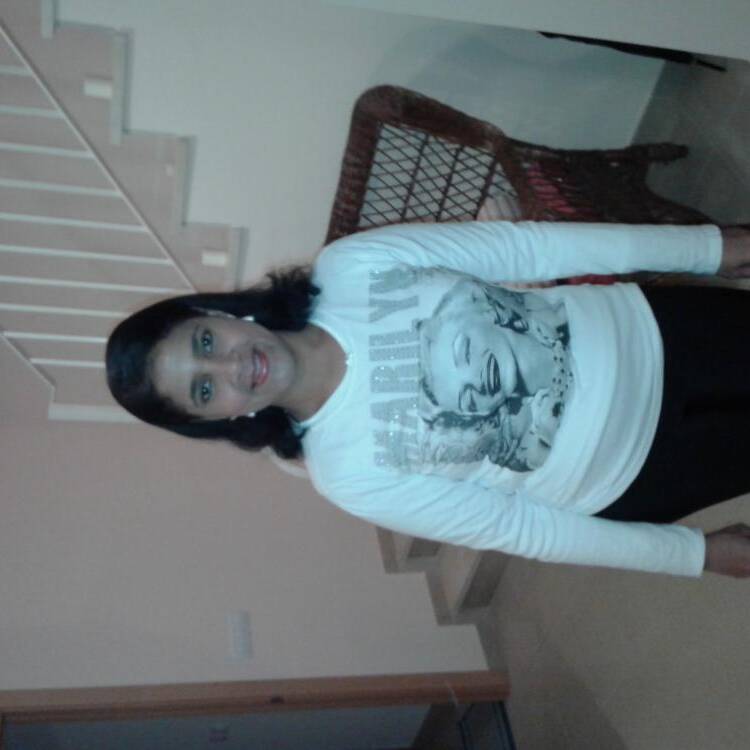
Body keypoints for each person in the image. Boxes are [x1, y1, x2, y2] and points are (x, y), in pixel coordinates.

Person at [106, 220, 750, 579]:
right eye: (205, 388)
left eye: (206, 341)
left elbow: (530, 247)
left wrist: (705, 249)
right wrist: (694, 555)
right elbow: (520, 528)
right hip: (635, 471)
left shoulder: (352, 267)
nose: (231, 366)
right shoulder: (348, 475)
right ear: (222, 418)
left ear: (219, 313)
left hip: (658, 332)